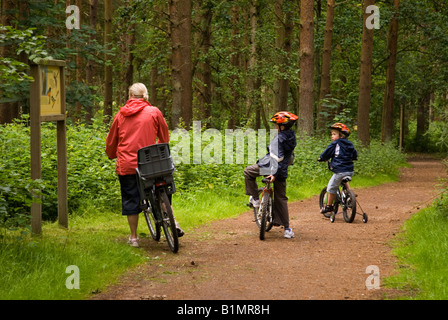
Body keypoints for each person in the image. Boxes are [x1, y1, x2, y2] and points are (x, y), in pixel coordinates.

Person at [105, 83, 183, 248]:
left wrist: (112, 154)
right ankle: (172, 220)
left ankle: (133, 238)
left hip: (127, 166)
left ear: (130, 96)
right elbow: (164, 137)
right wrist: (162, 150)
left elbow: (112, 142)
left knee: (131, 199)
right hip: (152, 163)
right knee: (163, 187)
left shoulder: (120, 115)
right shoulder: (154, 112)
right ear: (145, 96)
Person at [244, 111, 298, 239]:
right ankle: (287, 229)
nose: (274, 127)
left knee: (248, 171)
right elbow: (286, 157)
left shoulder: (278, 138)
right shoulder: (291, 136)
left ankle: (255, 199)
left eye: (275, 125)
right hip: (282, 171)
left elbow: (276, 157)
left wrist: (273, 173)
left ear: (282, 126)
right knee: (281, 198)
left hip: (270, 168)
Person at [318, 122, 358, 214]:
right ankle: (349, 194)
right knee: (344, 179)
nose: (332, 136)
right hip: (349, 170)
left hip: (339, 170)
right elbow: (354, 154)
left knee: (331, 188)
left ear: (341, 135)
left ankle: (328, 207)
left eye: (334, 134)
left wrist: (321, 158)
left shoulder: (335, 143)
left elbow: (327, 152)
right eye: (332, 134)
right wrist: (353, 158)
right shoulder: (350, 144)